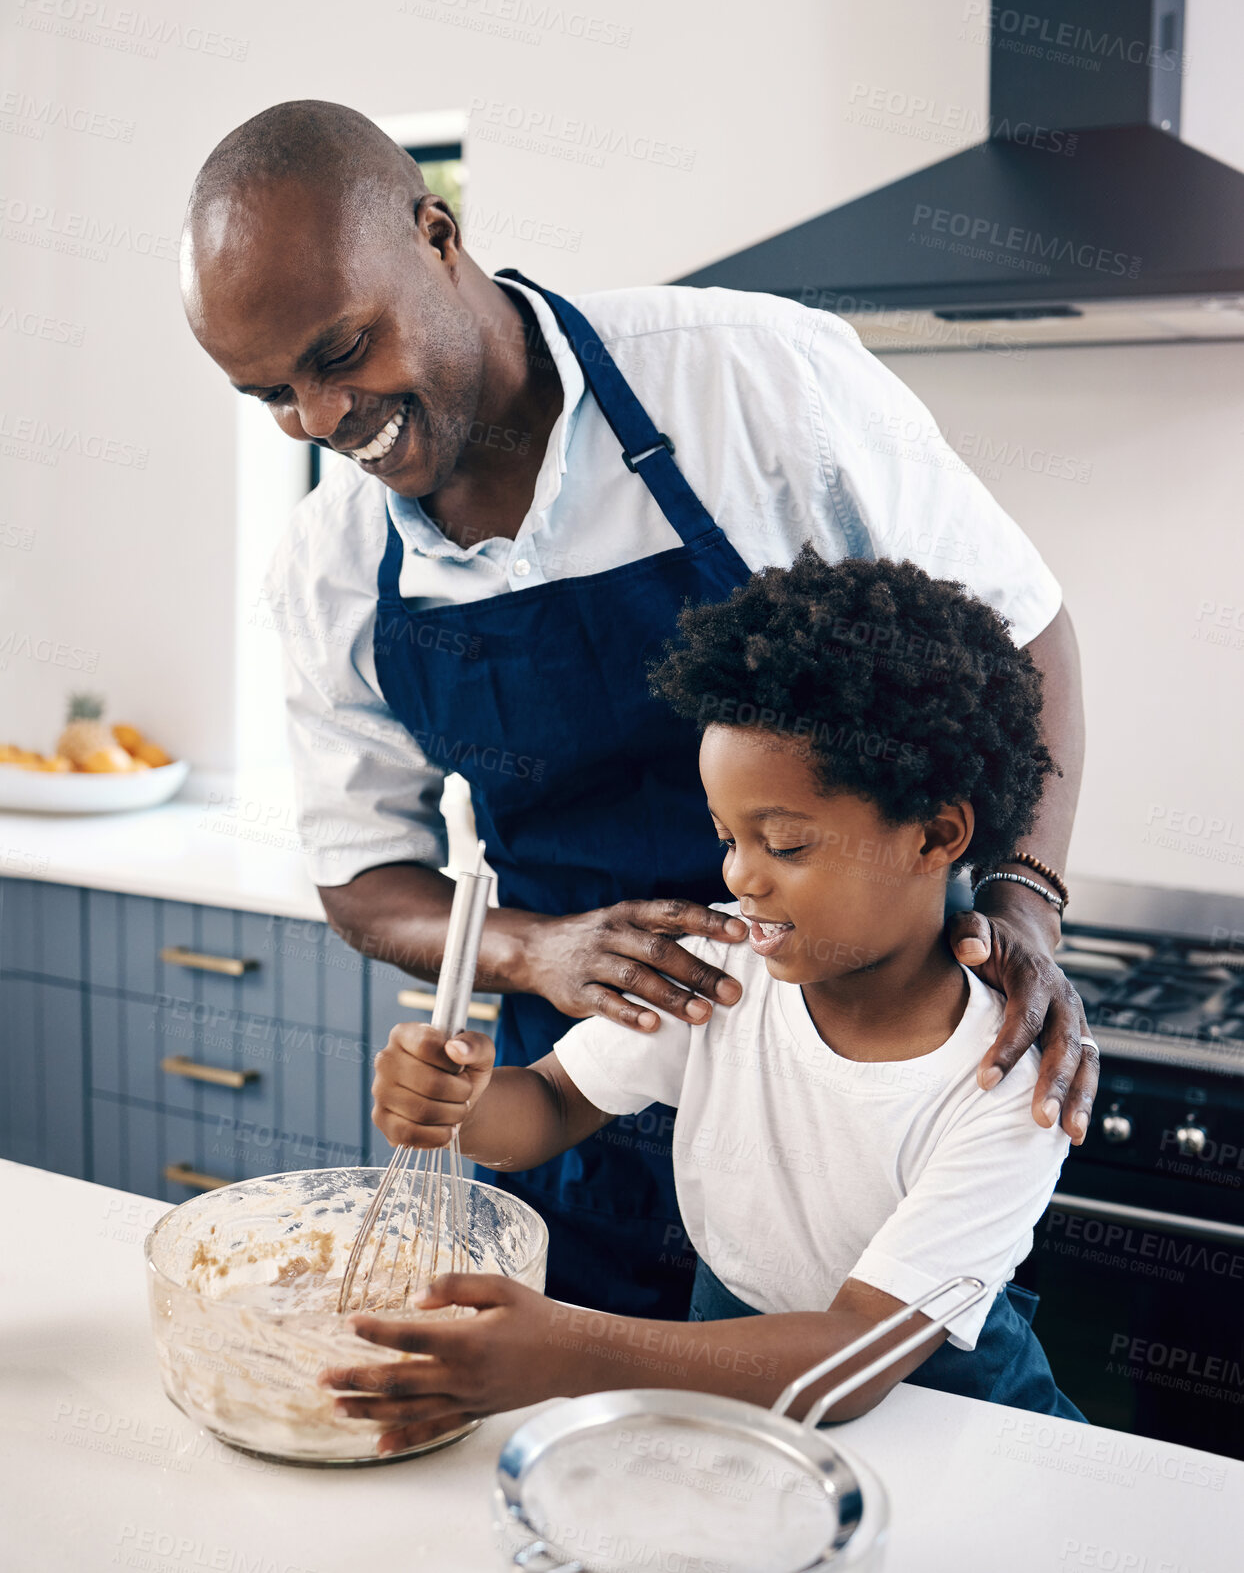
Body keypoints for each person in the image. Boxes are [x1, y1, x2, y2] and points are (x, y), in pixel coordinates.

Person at [181, 99, 1093, 1318]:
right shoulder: (330, 563)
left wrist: (1023, 899)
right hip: (576, 1106)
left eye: (342, 352)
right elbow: (362, 876)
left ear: (437, 236)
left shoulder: (751, 381)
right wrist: (537, 952)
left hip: (856, 1108)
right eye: (271, 396)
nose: (323, 418)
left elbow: (1022, 634)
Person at [322, 551, 1083, 1454]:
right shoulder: (720, 971)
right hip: (732, 1360)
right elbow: (551, 1105)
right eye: (727, 837)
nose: (740, 877)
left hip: (946, 1419)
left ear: (935, 835)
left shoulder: (1007, 1078)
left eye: (785, 845)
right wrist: (458, 1101)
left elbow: (850, 1356)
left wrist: (568, 1351)